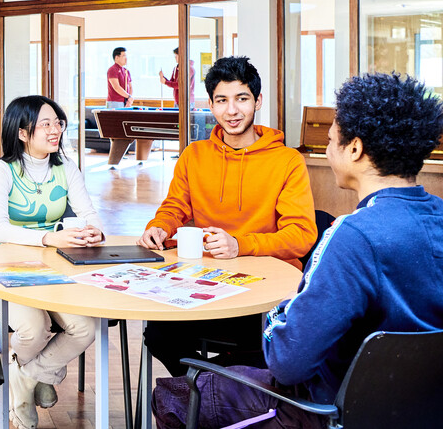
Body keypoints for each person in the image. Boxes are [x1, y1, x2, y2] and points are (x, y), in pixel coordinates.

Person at [152, 72, 443, 429]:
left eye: (332, 133)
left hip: (329, 409)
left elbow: (287, 362)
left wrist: (289, 301)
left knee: (175, 395)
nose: (328, 141)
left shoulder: (349, 234)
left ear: (354, 148)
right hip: (418, 409)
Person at [137, 56, 316, 377]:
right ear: (211, 104)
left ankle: (203, 395)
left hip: (265, 295)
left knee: (258, 349)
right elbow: (175, 206)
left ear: (258, 101)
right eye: (222, 100)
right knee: (158, 333)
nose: (231, 111)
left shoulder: (287, 161)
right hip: (204, 284)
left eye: (242, 99)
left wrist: (240, 245)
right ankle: (207, 393)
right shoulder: (195, 155)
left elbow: (301, 236)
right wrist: (159, 227)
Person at [0, 95, 106, 429]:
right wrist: (47, 237)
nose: (55, 131)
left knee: (85, 327)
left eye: (58, 123)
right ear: (23, 133)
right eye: (46, 124)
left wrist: (94, 231)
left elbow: (89, 213)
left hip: (55, 267)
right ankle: (35, 378)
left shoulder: (66, 167)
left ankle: (23, 379)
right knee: (33, 329)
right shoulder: (2, 170)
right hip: (4, 265)